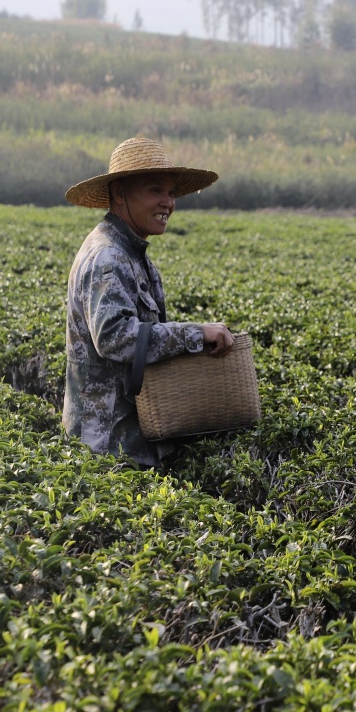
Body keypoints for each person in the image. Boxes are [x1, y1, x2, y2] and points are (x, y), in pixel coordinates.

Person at [62, 137, 235, 467]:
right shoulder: (108, 257)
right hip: (107, 449)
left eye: (171, 193)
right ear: (119, 194)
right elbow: (116, 337)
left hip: (128, 442)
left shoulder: (131, 253)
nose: (168, 203)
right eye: (156, 190)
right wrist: (197, 334)